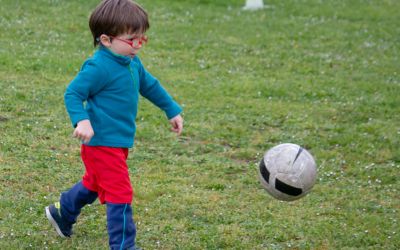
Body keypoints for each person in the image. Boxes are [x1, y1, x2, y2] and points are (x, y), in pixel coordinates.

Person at [45, 0, 183, 249]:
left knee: (95, 184)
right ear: (106, 40)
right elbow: (73, 94)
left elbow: (149, 85)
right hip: (101, 143)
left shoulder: (132, 62)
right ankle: (123, 245)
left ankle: (63, 210)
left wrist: (171, 108)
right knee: (119, 192)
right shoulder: (98, 67)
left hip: (119, 141)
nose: (138, 46)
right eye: (132, 39)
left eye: (142, 39)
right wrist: (82, 120)